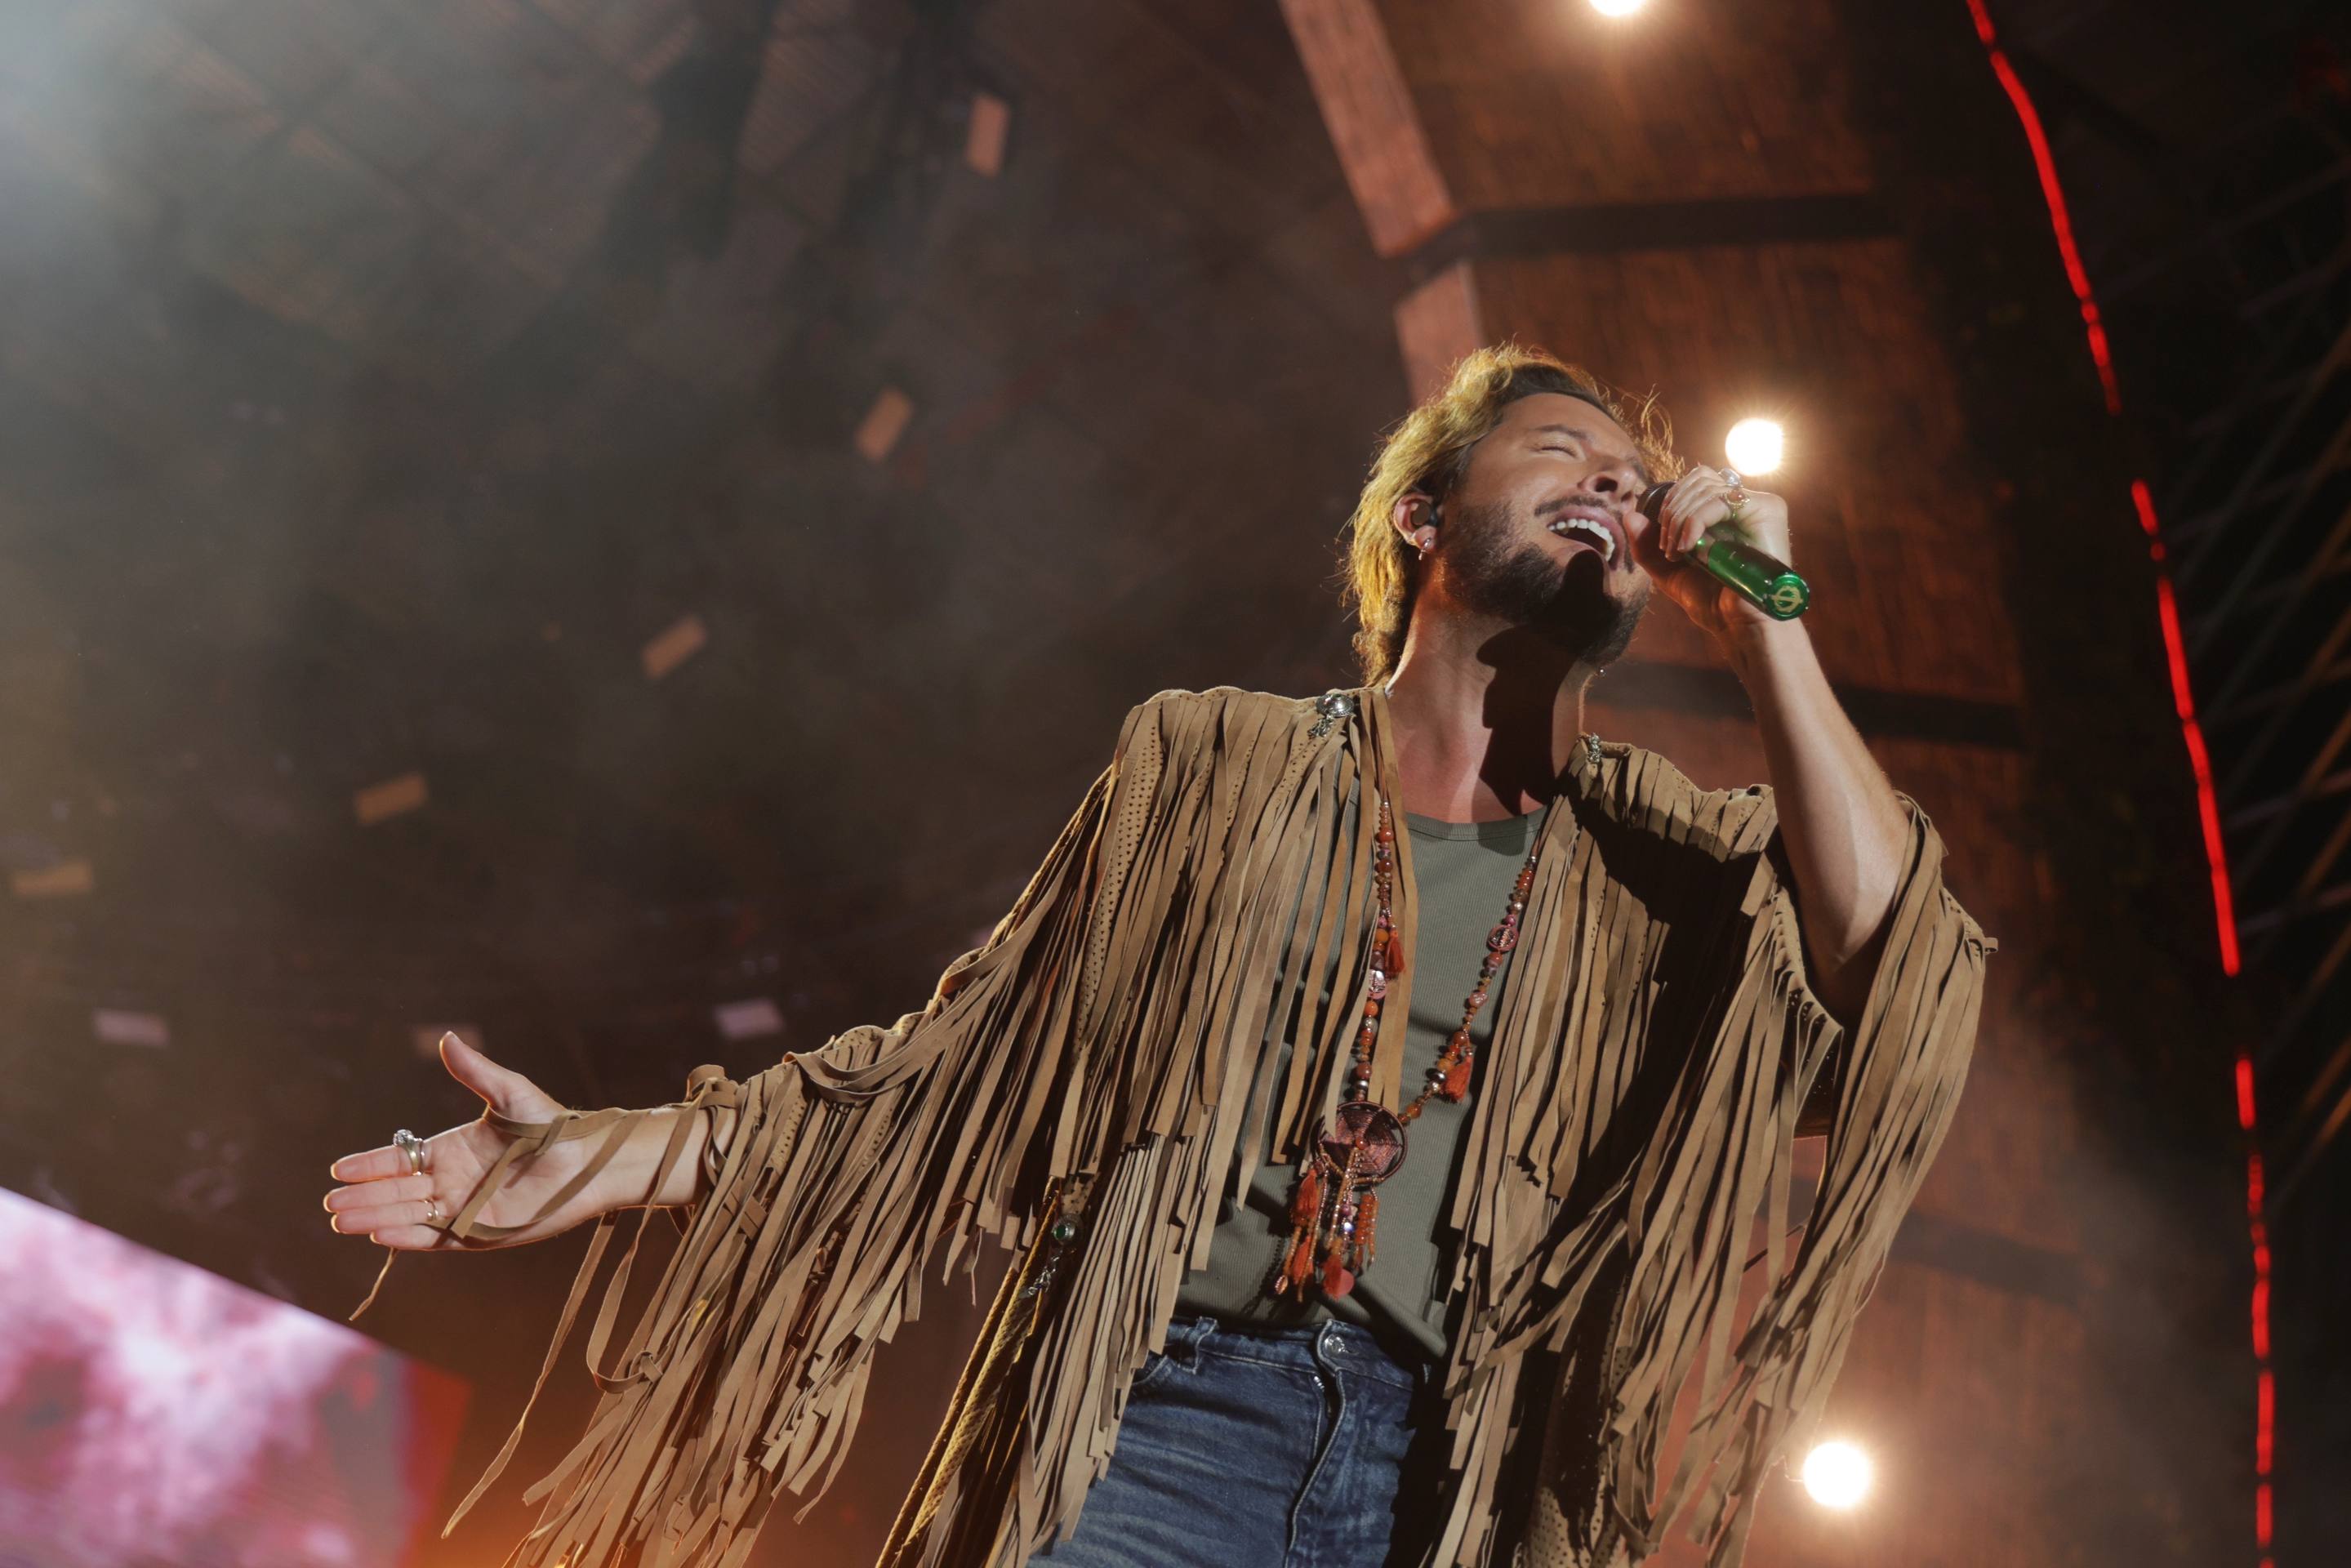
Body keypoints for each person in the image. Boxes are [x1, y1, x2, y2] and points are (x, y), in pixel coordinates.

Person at [324, 345, 1994, 1568]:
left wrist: (1768, 609)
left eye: (1636, 479)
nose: (1617, 487)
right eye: (1566, 450)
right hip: (1160, 1440)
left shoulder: (1673, 869)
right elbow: (932, 1083)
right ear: (1422, 515)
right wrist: (594, 1160)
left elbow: (1898, 968)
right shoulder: (1213, 766)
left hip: (1455, 1495)